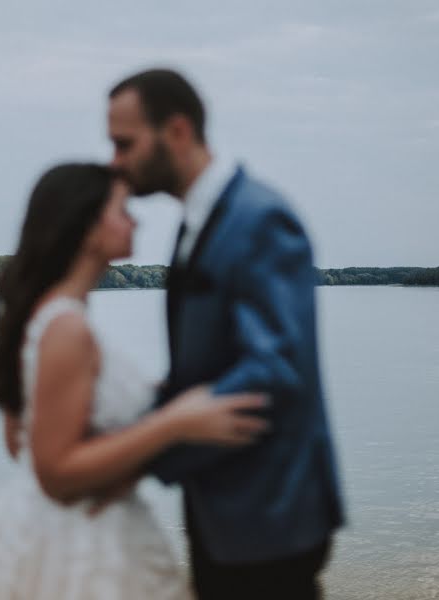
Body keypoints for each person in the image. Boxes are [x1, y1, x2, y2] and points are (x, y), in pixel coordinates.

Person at [0, 163, 269, 599]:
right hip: (87, 543)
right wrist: (173, 424)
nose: (135, 220)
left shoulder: (38, 317)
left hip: (43, 528)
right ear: (86, 228)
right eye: (122, 209)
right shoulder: (67, 330)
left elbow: (19, 444)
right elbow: (53, 471)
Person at [107, 69, 345, 599]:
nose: (115, 162)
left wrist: (144, 446)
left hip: (269, 515)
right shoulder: (200, 222)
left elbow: (275, 368)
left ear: (177, 131)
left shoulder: (260, 220)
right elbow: (208, 366)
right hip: (224, 513)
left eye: (125, 143)